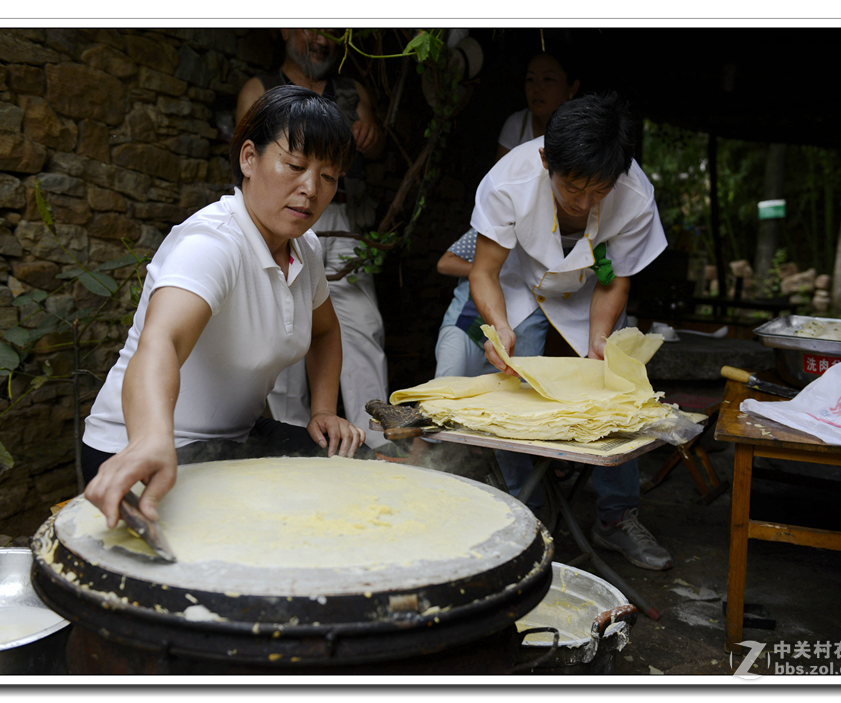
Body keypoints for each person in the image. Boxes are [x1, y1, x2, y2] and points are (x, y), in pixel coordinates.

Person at [82, 85, 368, 528]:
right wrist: (149, 440)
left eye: (328, 176)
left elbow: (327, 333)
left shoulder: (304, 249)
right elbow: (162, 342)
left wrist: (324, 411)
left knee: (359, 470)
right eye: (294, 165)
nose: (310, 188)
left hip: (233, 440)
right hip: (140, 450)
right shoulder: (214, 243)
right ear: (248, 158)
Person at [468, 91, 673, 570]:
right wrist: (499, 327)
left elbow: (617, 279)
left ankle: (616, 518)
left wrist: (600, 342)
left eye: (598, 192)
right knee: (513, 387)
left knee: (613, 389)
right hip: (521, 286)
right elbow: (484, 272)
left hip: (590, 291)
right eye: (573, 188)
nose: (584, 204)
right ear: (545, 160)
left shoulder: (635, 194)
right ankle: (528, 514)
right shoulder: (507, 181)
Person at [237, 29, 390, 450]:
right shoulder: (259, 89)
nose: (322, 39)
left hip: (341, 217)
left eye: (331, 31)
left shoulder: (350, 89)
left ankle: (374, 442)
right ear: (286, 29)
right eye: (312, 27)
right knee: (281, 324)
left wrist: (368, 137)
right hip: (275, 217)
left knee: (360, 324)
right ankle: (295, 440)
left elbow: (374, 146)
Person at [434, 51, 577, 378]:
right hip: (476, 316)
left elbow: (608, 275)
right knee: (456, 376)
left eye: (548, 79)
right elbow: (449, 262)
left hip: (525, 312)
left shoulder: (570, 231)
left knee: (516, 386)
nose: (537, 88)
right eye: (530, 79)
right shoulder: (499, 219)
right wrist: (490, 270)